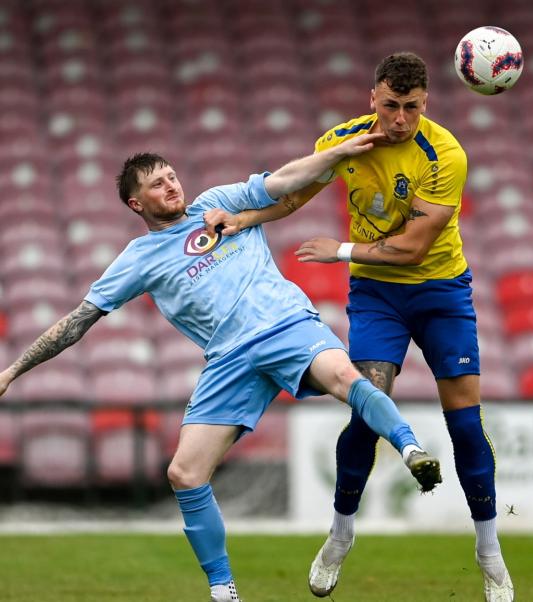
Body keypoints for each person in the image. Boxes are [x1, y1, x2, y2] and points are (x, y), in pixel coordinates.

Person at [0, 135, 444, 602]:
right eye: (157, 184)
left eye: (171, 175)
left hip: (283, 324)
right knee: (184, 474)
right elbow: (78, 321)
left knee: (344, 376)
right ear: (137, 203)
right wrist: (12, 371)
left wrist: (338, 153)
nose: (171, 186)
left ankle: (410, 448)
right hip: (229, 359)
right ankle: (223, 591)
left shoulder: (217, 203)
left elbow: (283, 182)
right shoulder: (138, 258)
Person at [204, 51, 513, 602]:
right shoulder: (342, 141)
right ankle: (341, 532)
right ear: (373, 98)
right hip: (377, 298)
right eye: (391, 105)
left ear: (426, 104)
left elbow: (416, 249)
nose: (400, 118)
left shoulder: (444, 154)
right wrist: (244, 219)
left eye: (411, 108)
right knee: (367, 409)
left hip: (442, 291)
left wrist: (340, 250)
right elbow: (295, 195)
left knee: (466, 425)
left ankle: (489, 552)